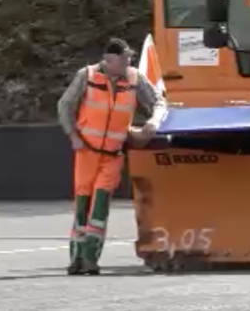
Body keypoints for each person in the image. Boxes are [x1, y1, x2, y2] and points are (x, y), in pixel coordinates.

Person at [57, 38, 168, 275]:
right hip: (87, 151)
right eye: (124, 57)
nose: (129, 60)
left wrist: (154, 120)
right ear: (109, 61)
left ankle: (90, 258)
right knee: (83, 205)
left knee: (99, 206)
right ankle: (76, 259)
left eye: (130, 57)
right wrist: (73, 136)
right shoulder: (86, 76)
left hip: (113, 154)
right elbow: (64, 106)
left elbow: (159, 101)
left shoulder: (135, 78)